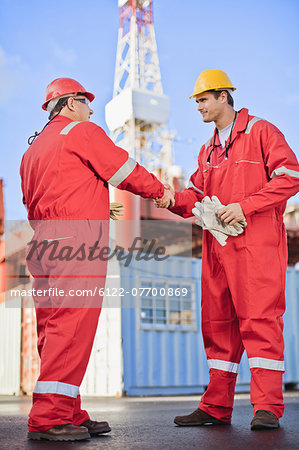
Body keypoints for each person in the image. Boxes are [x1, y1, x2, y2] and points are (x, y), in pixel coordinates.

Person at [20, 77, 174, 441]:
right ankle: (48, 418)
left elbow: (29, 202)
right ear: (71, 104)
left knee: (52, 331)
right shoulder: (82, 133)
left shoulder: (31, 151)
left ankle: (67, 410)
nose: (91, 110)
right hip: (77, 241)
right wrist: (162, 192)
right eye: (87, 103)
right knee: (72, 328)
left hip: (42, 242)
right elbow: (125, 172)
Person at [156, 69, 299, 430]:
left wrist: (246, 206)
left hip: (256, 248)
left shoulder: (261, 132)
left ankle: (267, 407)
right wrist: (171, 198)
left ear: (224, 96)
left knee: (260, 321)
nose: (199, 107)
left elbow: (291, 177)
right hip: (217, 249)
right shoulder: (208, 150)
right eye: (197, 101)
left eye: (203, 99)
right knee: (217, 325)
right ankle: (215, 407)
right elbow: (197, 197)